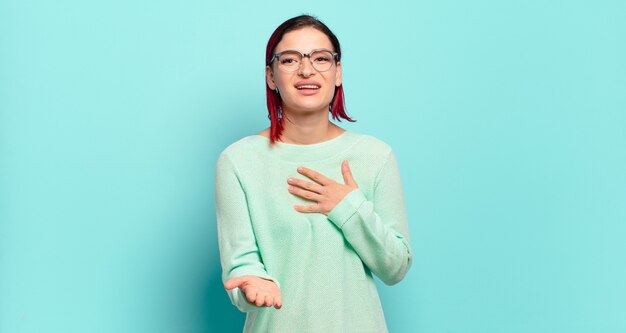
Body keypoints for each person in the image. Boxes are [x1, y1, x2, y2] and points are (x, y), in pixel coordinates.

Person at [215, 14, 412, 333]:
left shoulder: (376, 156)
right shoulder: (238, 161)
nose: (306, 70)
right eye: (290, 59)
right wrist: (252, 286)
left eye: (321, 58)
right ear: (271, 76)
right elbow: (241, 266)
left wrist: (348, 207)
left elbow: (396, 266)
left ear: (338, 72)